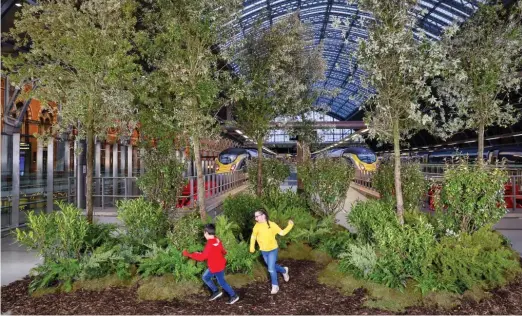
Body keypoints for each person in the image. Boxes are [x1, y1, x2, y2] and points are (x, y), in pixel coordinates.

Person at [182, 223, 239, 304]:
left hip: (214, 267)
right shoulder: (217, 240)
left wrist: (189, 254)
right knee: (220, 281)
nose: (204, 234)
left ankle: (231, 295)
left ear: (206, 233)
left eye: (204, 233)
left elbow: (202, 257)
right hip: (220, 264)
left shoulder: (209, 244)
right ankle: (219, 292)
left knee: (207, 278)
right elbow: (223, 251)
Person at [249, 208, 294, 294]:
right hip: (264, 251)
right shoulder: (256, 226)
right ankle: (284, 270)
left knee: (270, 268)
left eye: (257, 216)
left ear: (263, 216)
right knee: (271, 266)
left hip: (273, 250)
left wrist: (290, 225)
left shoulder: (272, 225)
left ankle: (275, 286)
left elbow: (282, 233)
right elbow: (253, 236)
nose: (256, 219)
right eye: (255, 217)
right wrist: (252, 246)